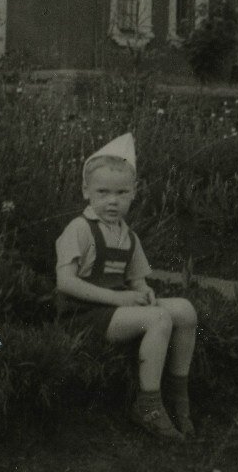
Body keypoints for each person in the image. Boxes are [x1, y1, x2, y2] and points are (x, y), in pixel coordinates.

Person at [55, 133, 197, 442]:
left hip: (116, 311)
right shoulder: (80, 229)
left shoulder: (128, 236)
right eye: (103, 192)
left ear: (134, 193)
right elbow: (64, 282)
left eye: (121, 193)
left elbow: (135, 279)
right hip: (83, 317)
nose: (112, 201)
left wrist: (143, 291)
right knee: (158, 318)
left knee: (184, 311)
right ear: (86, 192)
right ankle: (147, 404)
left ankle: (178, 394)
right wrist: (120, 298)